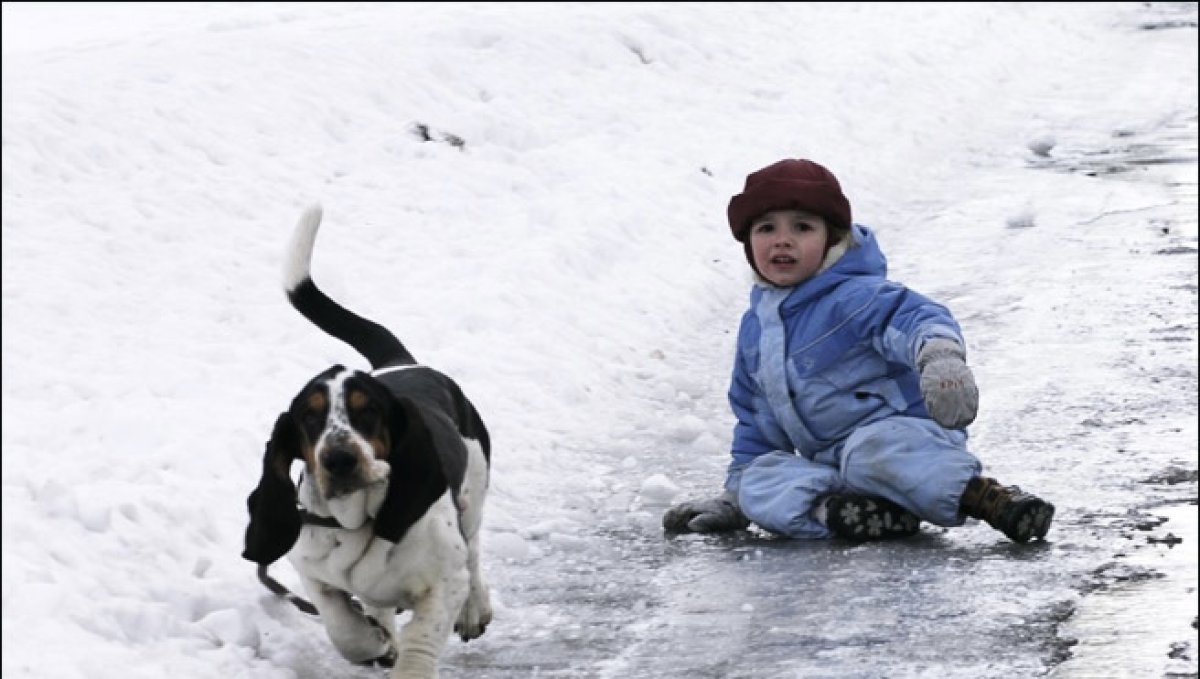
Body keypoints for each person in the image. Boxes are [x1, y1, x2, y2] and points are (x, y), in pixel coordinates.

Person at [662, 158, 1055, 543]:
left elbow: (915, 317)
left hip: (903, 444)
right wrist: (738, 496)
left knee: (875, 453)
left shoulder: (856, 296)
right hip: (830, 469)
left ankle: (987, 499)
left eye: (802, 227)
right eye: (766, 228)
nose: (782, 239)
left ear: (833, 238)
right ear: (749, 243)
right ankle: (842, 514)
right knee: (761, 477)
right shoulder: (755, 332)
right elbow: (755, 424)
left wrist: (940, 358)